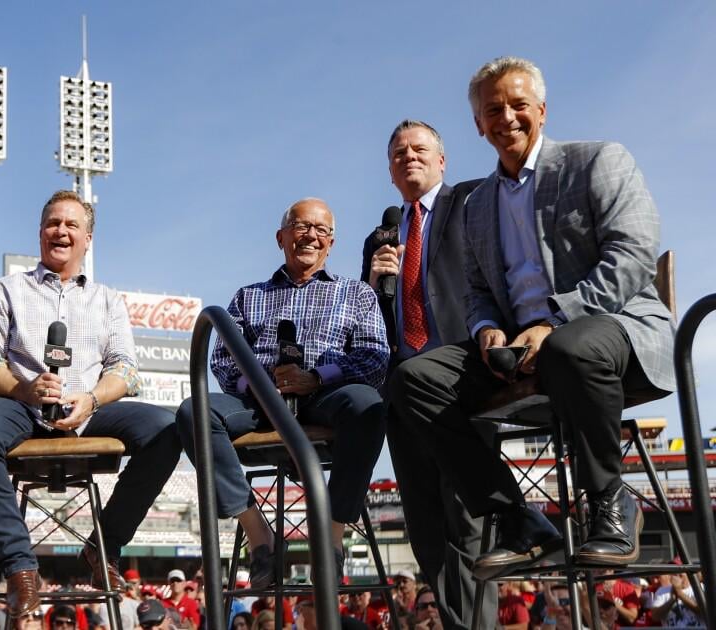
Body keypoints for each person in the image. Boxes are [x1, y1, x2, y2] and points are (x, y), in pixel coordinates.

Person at [388, 55, 674, 580]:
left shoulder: (597, 160)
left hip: (610, 328)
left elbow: (632, 256)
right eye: (493, 110)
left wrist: (556, 321)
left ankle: (611, 500)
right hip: (520, 347)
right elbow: (477, 291)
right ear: (478, 124)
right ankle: (516, 518)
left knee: (570, 347)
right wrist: (485, 328)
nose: (508, 118)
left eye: (519, 105)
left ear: (541, 110)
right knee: (412, 380)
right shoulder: (478, 205)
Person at [0, 190, 182, 617]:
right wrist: (24, 388)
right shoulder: (4, 290)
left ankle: (103, 549)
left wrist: (92, 398)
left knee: (168, 429)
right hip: (23, 407)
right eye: (53, 223)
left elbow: (127, 370)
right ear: (40, 232)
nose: (60, 231)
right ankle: (21, 568)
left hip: (88, 409)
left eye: (71, 224)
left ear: (88, 238)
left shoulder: (108, 300)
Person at [176, 197, 388, 587]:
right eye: (300, 226)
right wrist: (260, 386)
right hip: (260, 400)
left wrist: (318, 377)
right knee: (194, 412)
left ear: (331, 243)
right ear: (281, 237)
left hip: (326, 396)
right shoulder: (247, 296)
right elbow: (222, 360)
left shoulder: (357, 293)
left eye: (321, 229)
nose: (310, 236)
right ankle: (260, 538)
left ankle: (333, 537)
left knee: (369, 406)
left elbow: (375, 358)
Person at [361, 119, 491, 630]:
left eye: (419, 149)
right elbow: (368, 323)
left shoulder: (472, 204)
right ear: (390, 169)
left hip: (463, 379)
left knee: (468, 518)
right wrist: (373, 283)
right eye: (398, 152)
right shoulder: (382, 234)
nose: (408, 156)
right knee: (425, 527)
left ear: (442, 160)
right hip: (402, 390)